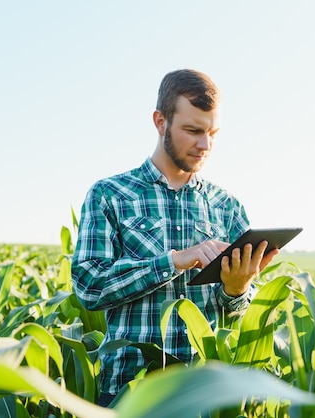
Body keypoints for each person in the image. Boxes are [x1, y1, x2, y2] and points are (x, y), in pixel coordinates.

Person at [71, 68, 279, 407]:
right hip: (130, 392)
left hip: (206, 396)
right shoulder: (110, 195)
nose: (205, 144)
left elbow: (237, 313)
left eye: (213, 132)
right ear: (160, 121)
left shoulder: (227, 207)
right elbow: (88, 286)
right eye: (193, 130)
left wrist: (237, 288)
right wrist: (172, 261)